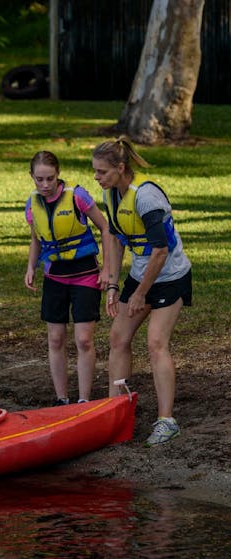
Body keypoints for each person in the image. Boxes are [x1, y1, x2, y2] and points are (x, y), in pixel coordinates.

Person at [92, 138, 192, 447]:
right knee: (118, 338)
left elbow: (160, 252)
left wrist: (139, 294)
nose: (96, 177)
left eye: (102, 172)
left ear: (121, 168)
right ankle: (116, 409)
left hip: (170, 276)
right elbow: (117, 238)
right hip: (141, 274)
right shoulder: (112, 195)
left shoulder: (146, 198)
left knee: (156, 342)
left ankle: (166, 421)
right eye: (95, 171)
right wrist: (112, 282)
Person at [24, 151, 112, 406]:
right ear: (32, 177)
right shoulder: (32, 204)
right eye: (39, 179)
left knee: (84, 339)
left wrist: (106, 269)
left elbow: (105, 227)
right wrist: (31, 267)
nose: (45, 185)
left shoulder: (77, 197)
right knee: (55, 338)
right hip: (55, 278)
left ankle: (84, 398)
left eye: (50, 178)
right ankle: (62, 399)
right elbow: (36, 238)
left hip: (85, 276)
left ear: (58, 174)